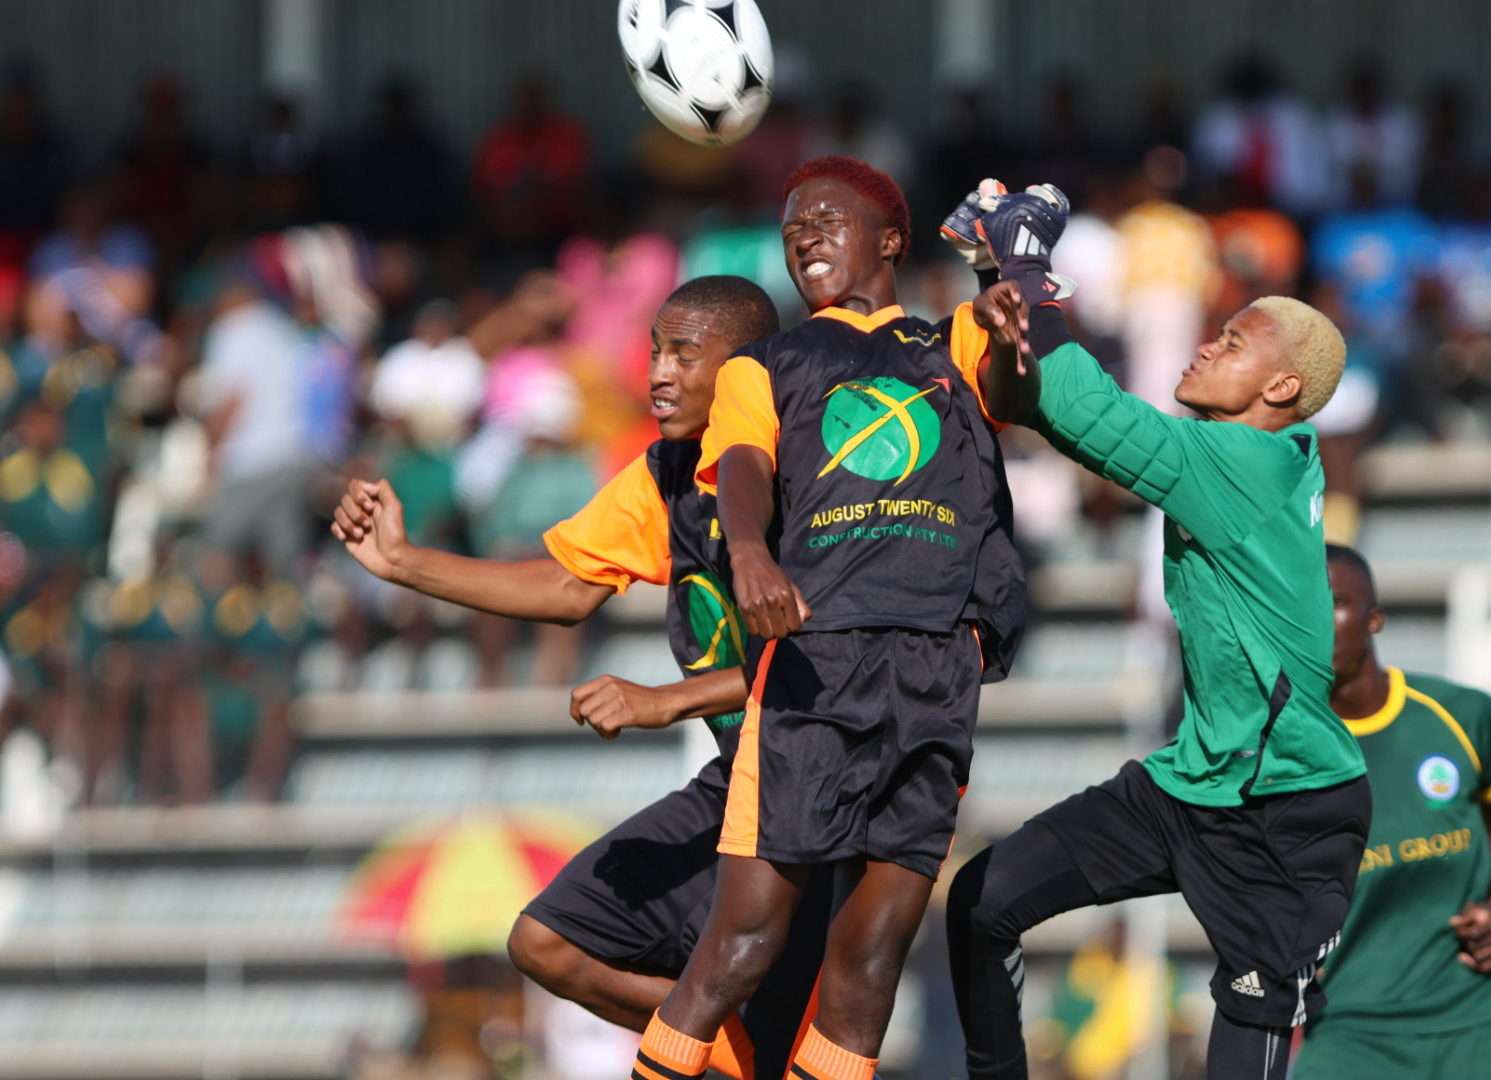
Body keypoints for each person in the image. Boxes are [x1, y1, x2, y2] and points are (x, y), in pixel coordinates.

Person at [332, 275, 823, 1080]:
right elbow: (566, 586)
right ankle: (754, 1057)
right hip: (743, 783)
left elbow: (834, 656)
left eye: (684, 355)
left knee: (834, 1021)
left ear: (745, 371)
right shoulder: (666, 473)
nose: (657, 374)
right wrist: (402, 562)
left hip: (830, 789)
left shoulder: (813, 472)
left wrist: (665, 701)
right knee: (546, 942)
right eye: (655, 351)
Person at [947, 183, 1370, 1080]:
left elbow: (1079, 410)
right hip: (1194, 782)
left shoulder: (1243, 461)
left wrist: (1027, 264)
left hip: (1287, 812)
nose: (1206, 345)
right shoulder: (1246, 457)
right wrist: (1000, 275)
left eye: (1233, 342)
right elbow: (1045, 406)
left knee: (1244, 1037)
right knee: (982, 901)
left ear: (1282, 388)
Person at [629, 156, 1027, 1080]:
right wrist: (751, 553)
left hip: (936, 667)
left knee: (870, 969)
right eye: (790, 227)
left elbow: (1013, 399)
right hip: (817, 662)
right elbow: (743, 465)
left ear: (891, 238)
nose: (803, 234)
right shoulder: (765, 365)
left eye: (825, 218)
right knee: (739, 948)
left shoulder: (956, 339)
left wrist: (1011, 334)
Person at [1293, 545, 1491, 1080]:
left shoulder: (1460, 715)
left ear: (1374, 618)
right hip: (1351, 1028)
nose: (1318, 617)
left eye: (1336, 602)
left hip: (1480, 1010)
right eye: (1302, 601)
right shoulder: (1283, 756)